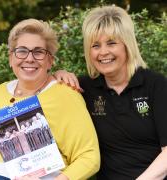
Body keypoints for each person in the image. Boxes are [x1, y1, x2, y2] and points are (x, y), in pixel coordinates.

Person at [54, 5, 167, 180]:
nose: (103, 52)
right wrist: (58, 76)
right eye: (95, 45)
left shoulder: (156, 85)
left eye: (112, 43)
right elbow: (43, 99)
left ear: (127, 45)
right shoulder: (83, 88)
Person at [0, 18, 100, 180]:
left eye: (38, 52)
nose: (29, 58)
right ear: (11, 58)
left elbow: (89, 157)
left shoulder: (65, 94)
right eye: (21, 51)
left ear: (50, 60)